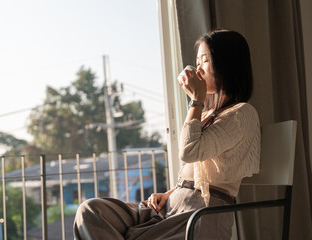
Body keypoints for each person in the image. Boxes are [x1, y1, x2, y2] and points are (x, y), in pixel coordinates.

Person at [73, 29, 261, 240]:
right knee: (90, 211)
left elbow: (189, 152)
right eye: (197, 61)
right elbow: (194, 172)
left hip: (200, 214)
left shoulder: (242, 113)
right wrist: (169, 194)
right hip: (171, 205)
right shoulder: (209, 114)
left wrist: (196, 100)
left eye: (205, 60)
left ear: (227, 64)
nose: (198, 68)